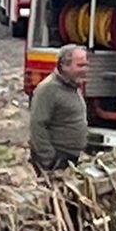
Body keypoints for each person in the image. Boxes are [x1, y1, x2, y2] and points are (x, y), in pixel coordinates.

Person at [29, 43, 89, 173]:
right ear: (64, 66)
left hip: (71, 159)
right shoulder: (48, 89)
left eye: (86, 65)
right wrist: (49, 159)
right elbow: (37, 125)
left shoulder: (72, 87)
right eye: (80, 65)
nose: (85, 69)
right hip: (57, 161)